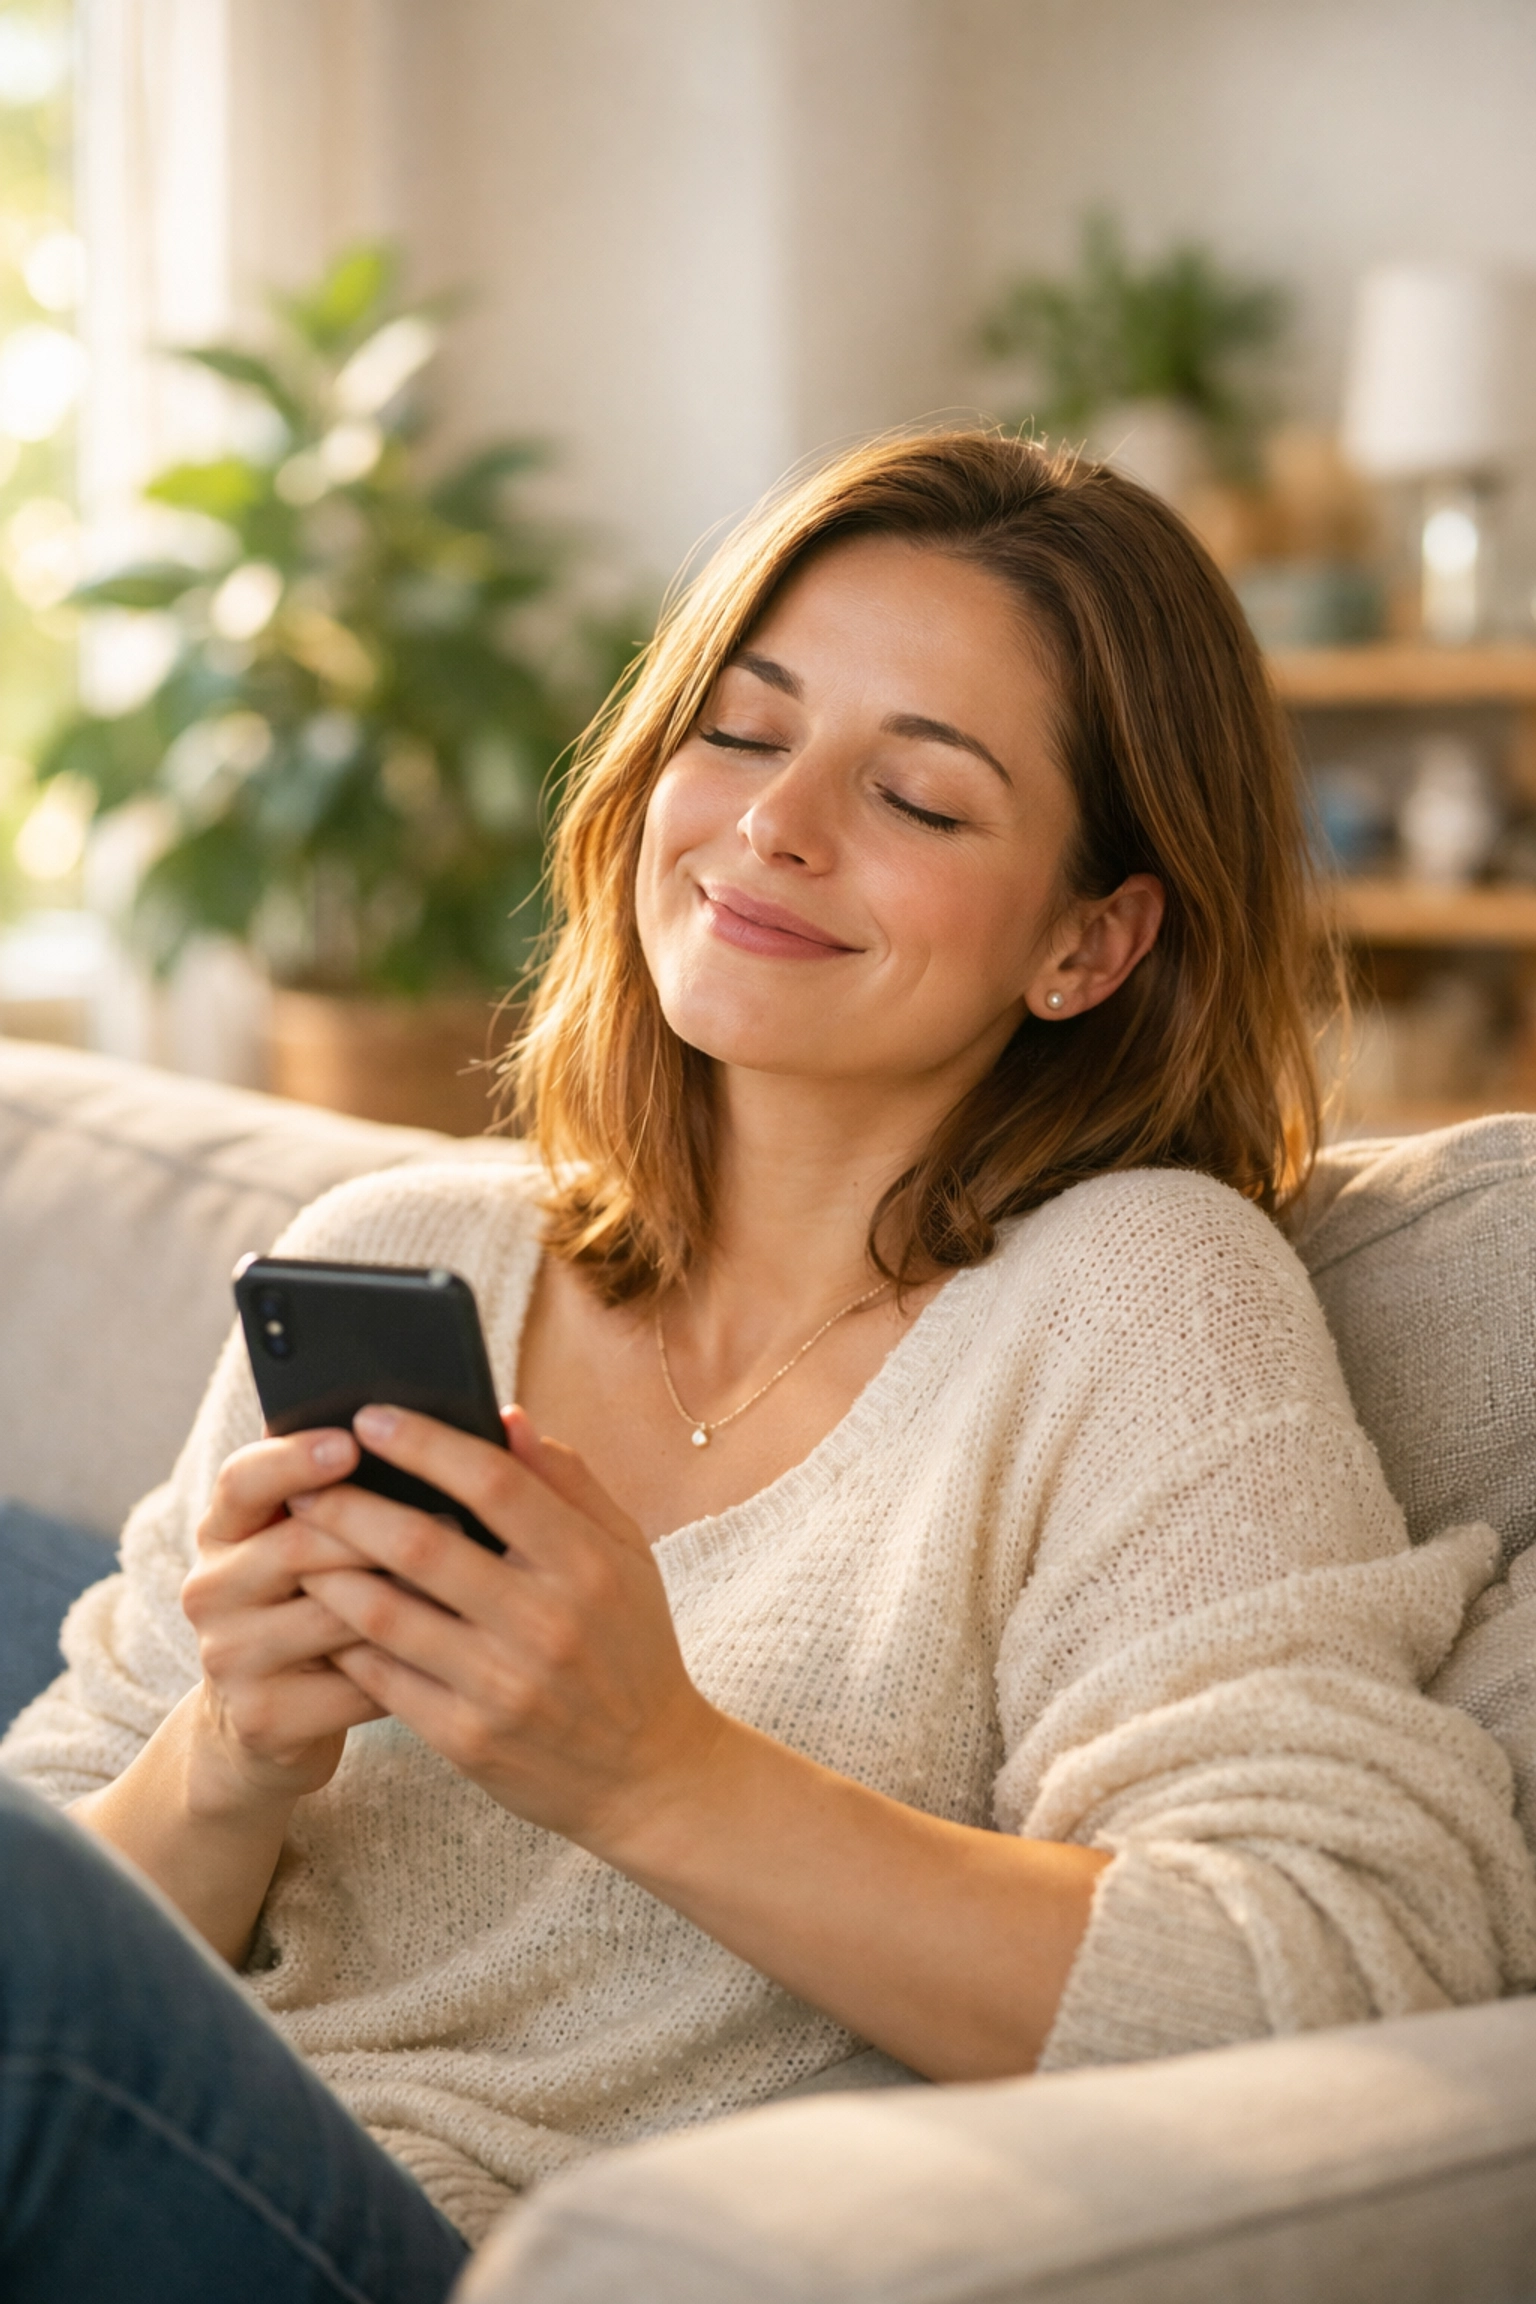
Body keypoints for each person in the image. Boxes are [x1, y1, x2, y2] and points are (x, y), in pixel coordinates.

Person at [3, 431, 1533, 2303]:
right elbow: (74, 1921)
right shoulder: (395, 1252)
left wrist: (652, 1770)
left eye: (922, 798)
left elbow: (1338, 1962)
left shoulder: (1131, 1299)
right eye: (739, 732)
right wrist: (235, 1755)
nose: (773, 826)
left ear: (1090, 938)